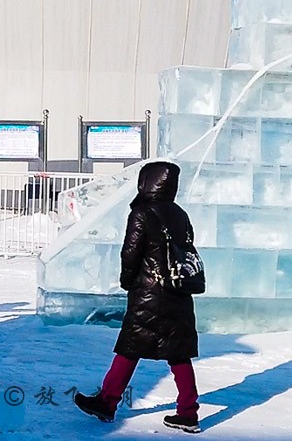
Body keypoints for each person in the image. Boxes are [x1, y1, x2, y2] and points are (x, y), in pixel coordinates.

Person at [74, 161, 201, 433]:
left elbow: (131, 252)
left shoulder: (142, 213)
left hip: (148, 293)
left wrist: (126, 280)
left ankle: (107, 402)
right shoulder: (180, 214)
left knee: (130, 347)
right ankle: (188, 413)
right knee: (178, 354)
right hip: (178, 293)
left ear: (147, 182)